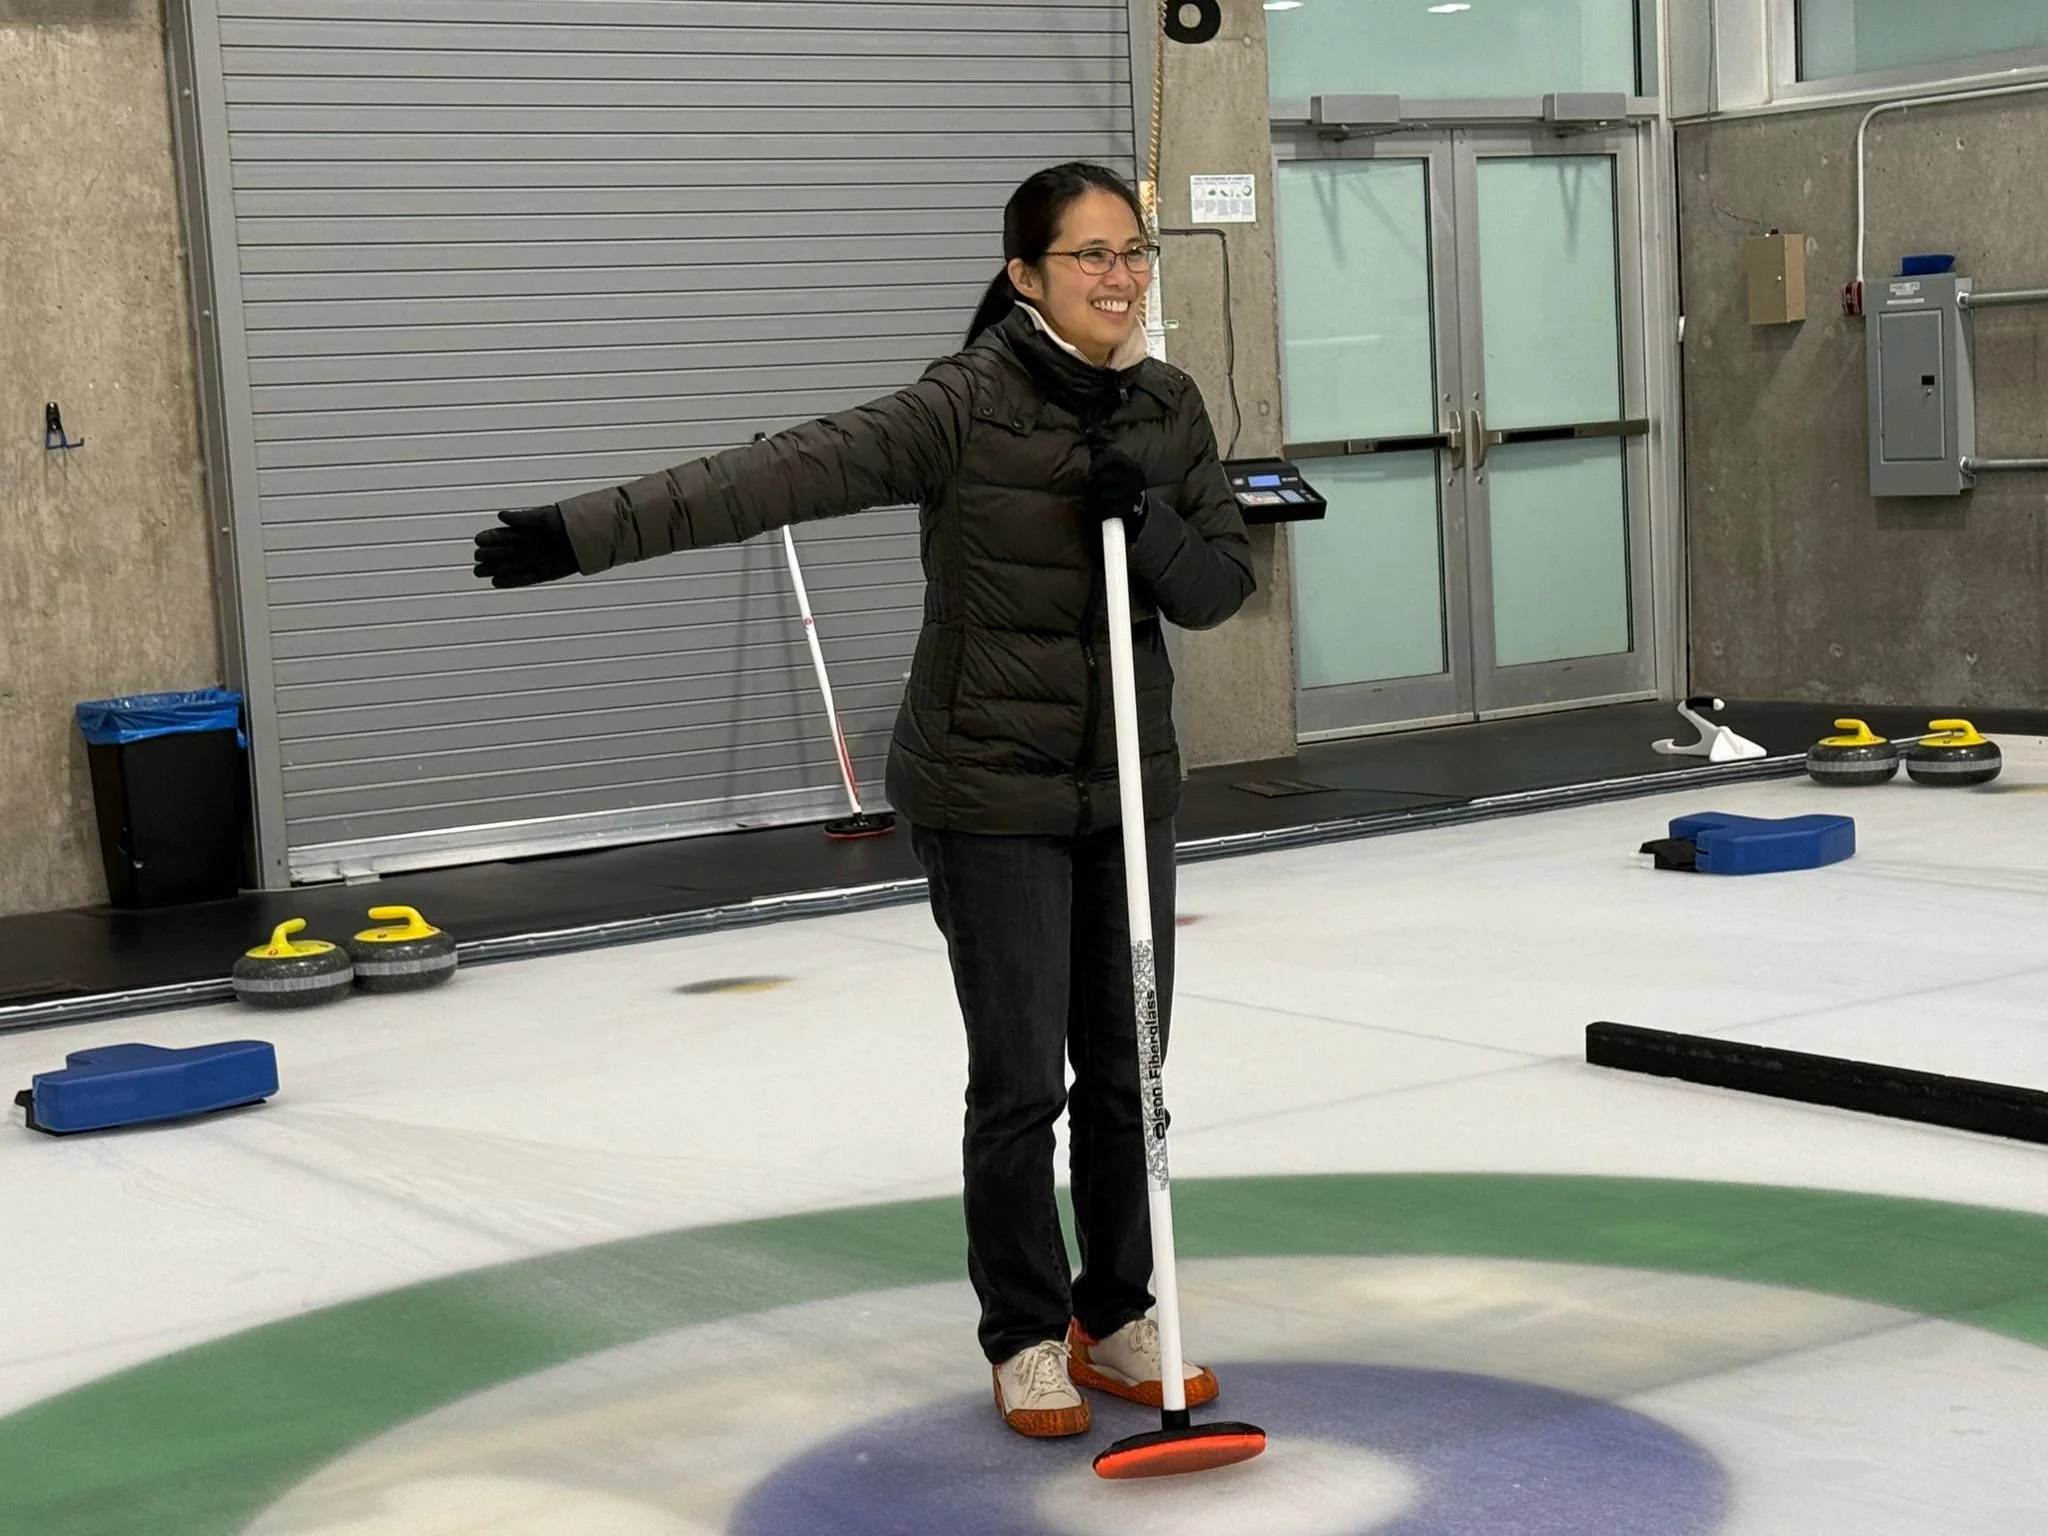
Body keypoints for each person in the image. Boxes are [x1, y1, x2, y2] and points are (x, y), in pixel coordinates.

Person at [472, 162, 1255, 1438]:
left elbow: (1221, 588)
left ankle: (1113, 1313)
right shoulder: (965, 405)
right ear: (1024, 276)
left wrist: (1145, 526)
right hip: (984, 793)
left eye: (1133, 252)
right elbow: (779, 473)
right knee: (1020, 1083)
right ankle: (1022, 1334)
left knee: (1130, 1077)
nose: (1118, 277)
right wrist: (580, 533)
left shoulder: (1166, 408)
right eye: (1088, 256)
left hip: (1122, 791)